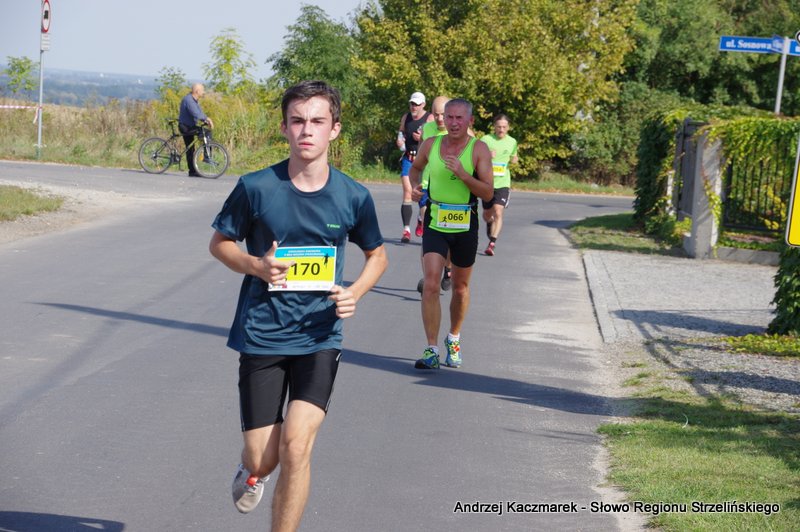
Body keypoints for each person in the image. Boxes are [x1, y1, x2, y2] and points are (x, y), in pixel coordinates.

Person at [208, 80, 388, 530]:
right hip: (263, 334)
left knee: (297, 446)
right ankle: (251, 471)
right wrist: (256, 265)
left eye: (317, 121)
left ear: (335, 129)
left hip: (319, 337)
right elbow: (220, 244)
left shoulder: (353, 195)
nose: (307, 130)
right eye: (298, 121)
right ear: (285, 128)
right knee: (264, 458)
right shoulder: (255, 187)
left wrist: (354, 292)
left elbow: (378, 256)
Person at [409, 98, 494, 369]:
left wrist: (464, 175)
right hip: (436, 221)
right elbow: (415, 169)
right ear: (443, 119)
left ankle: (453, 338)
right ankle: (431, 349)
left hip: (465, 224)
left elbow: (488, 192)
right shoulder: (431, 145)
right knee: (431, 284)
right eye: (449, 117)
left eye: (459, 118)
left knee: (460, 288)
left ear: (470, 121)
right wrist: (415, 187)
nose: (453, 123)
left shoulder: (478, 149)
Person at [415, 95, 452, 293]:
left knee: (448, 235)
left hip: (449, 190)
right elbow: (420, 158)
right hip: (427, 186)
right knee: (428, 233)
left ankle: (448, 268)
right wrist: (416, 183)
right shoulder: (427, 129)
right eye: (436, 114)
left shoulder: (458, 130)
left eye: (443, 114)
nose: (439, 119)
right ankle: (429, 278)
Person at [396, 91, 434, 243]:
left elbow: (436, 137)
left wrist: (422, 139)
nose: (414, 107)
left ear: (423, 105)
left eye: (417, 104)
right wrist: (400, 140)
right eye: (412, 104)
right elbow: (401, 131)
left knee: (422, 195)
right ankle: (406, 230)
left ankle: (421, 218)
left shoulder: (429, 118)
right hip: (409, 158)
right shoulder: (406, 117)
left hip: (424, 161)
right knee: (408, 191)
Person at [480, 113, 519, 256]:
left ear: (508, 127)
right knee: (487, 215)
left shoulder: (512, 142)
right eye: (498, 127)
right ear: (494, 127)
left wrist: (515, 160)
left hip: (503, 183)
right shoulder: (486, 140)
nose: (501, 130)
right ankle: (490, 223)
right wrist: (487, 155)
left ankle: (492, 243)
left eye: (504, 127)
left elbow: (514, 157)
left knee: (498, 211)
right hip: (487, 182)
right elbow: (475, 157)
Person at [179, 83, 214, 177]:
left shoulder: (194, 100)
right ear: (197, 91)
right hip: (186, 127)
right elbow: (196, 113)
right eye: (202, 90)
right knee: (207, 132)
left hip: (189, 126)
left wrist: (205, 120)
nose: (204, 92)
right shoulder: (189, 100)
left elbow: (199, 112)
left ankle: (192, 171)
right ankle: (207, 156)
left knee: (190, 148)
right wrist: (207, 119)